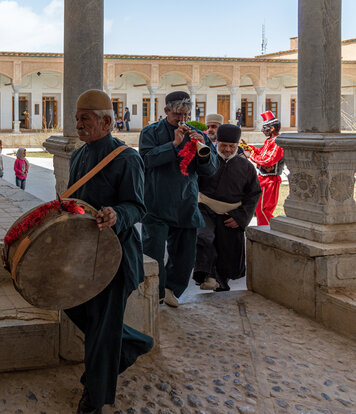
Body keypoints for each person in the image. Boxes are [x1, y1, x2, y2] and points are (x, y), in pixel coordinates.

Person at [66, 89, 153, 414]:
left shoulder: (127, 159)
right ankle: (132, 343)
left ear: (105, 121)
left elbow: (137, 206)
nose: (78, 125)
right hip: (84, 255)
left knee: (102, 328)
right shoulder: (78, 156)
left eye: (84, 119)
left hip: (116, 259)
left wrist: (117, 214)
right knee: (74, 308)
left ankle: (95, 395)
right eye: (76, 119)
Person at [140, 91, 219, 307]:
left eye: (185, 115)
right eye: (177, 115)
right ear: (166, 111)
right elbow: (146, 160)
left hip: (186, 203)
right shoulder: (150, 132)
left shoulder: (197, 134)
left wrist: (204, 147)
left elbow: (211, 169)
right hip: (156, 203)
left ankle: (172, 289)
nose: (182, 120)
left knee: (185, 255)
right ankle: (154, 293)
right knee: (152, 251)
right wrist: (174, 145)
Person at [192, 124, 261, 291]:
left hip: (231, 215)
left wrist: (240, 217)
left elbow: (254, 194)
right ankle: (206, 275)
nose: (228, 149)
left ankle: (220, 282)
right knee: (204, 237)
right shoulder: (207, 159)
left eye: (232, 146)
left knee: (227, 249)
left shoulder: (246, 167)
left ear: (237, 146)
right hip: (205, 209)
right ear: (217, 143)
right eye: (224, 145)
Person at [241, 111, 284, 225]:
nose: (263, 130)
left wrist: (251, 156)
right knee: (259, 209)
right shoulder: (270, 141)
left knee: (263, 210)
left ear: (273, 128)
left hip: (270, 180)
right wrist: (249, 147)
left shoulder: (277, 142)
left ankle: (268, 232)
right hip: (264, 179)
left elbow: (268, 161)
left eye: (265, 127)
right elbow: (262, 152)